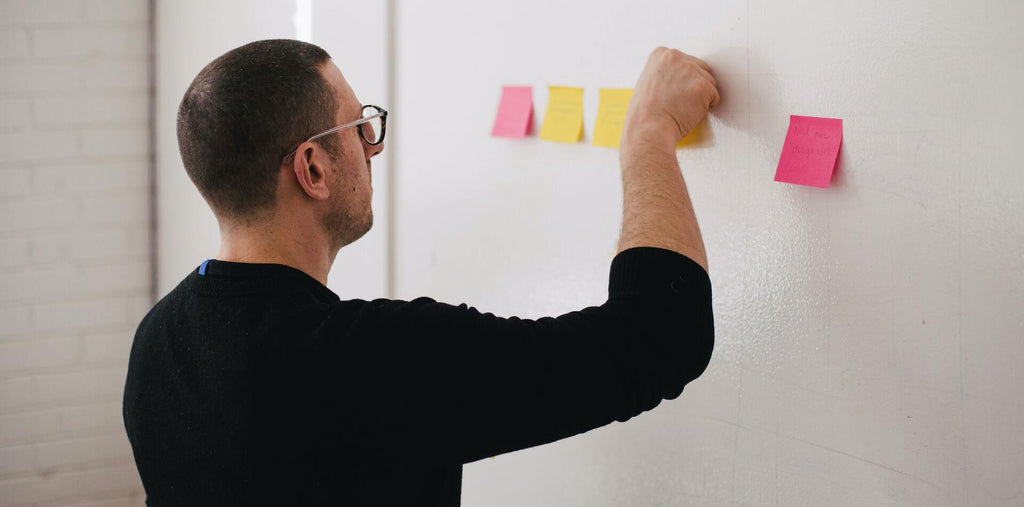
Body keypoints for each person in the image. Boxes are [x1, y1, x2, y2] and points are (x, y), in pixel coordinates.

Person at [123, 39, 720, 506]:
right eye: (359, 128)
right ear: (312, 168)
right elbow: (658, 338)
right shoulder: (371, 360)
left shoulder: (157, 343)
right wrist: (648, 134)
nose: (372, 148)